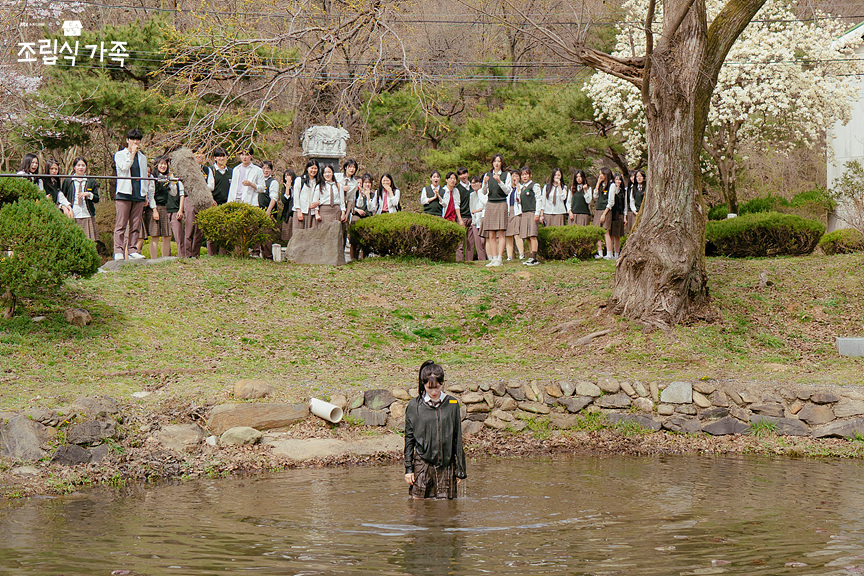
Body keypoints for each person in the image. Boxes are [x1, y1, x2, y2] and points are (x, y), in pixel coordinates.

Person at [404, 360, 466, 500]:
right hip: (422, 465)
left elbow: (457, 437)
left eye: (437, 387)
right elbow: (409, 438)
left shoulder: (452, 404)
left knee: (448, 509)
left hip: (447, 465)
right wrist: (408, 469)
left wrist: (460, 468)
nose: (433, 392)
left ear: (442, 383)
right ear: (423, 384)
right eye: (429, 387)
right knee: (418, 506)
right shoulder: (415, 406)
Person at [113, 128, 148, 260]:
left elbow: (145, 176)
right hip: (124, 193)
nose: (135, 142)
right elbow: (124, 167)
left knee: (135, 224)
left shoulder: (143, 158)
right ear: (127, 140)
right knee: (121, 224)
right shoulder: (120, 155)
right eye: (132, 139)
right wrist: (132, 154)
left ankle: (133, 250)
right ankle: (118, 251)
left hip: (139, 193)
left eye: (137, 140)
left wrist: (145, 195)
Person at [58, 156, 99, 241]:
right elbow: (62, 197)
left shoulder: (91, 181)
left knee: (89, 240)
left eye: (83, 165)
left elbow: (97, 199)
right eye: (78, 165)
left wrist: (88, 194)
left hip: (87, 214)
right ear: (74, 167)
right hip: (73, 215)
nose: (81, 168)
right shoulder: (68, 181)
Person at [480, 154, 511, 267]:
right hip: (490, 204)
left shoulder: (506, 175)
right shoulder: (487, 175)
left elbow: (508, 191)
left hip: (501, 203)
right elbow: (483, 192)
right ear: (492, 163)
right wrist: (484, 184)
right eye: (495, 161)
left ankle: (499, 258)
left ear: (501, 163)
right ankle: (493, 258)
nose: (496, 163)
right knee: (491, 234)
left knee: (501, 233)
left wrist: (499, 181)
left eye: (499, 161)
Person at [183, 146, 214, 258]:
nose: (199, 157)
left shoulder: (207, 170)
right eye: (196, 154)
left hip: (203, 200)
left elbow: (211, 186)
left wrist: (200, 187)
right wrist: (201, 186)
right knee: (189, 227)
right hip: (190, 199)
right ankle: (187, 254)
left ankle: (195, 254)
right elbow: (187, 186)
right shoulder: (187, 169)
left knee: (199, 229)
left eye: (201, 154)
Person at [148, 157, 173, 259]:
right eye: (161, 164)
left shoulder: (168, 177)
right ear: (156, 165)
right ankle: (154, 259)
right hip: (156, 207)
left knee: (167, 235)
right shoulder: (153, 177)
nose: (163, 166)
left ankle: (165, 259)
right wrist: (154, 210)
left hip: (166, 207)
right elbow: (150, 195)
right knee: (155, 235)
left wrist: (172, 180)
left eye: (165, 164)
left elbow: (173, 192)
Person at [207, 147, 231, 256]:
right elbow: (207, 188)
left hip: (227, 204)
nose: (221, 158)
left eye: (223, 156)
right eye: (219, 156)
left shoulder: (231, 171)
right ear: (215, 158)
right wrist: (211, 200)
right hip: (213, 203)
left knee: (225, 231)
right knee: (212, 230)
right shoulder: (210, 170)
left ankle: (223, 254)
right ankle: (211, 254)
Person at [256, 160, 280, 259]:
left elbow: (274, 198)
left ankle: (268, 256)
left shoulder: (273, 182)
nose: (266, 170)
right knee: (256, 234)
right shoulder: (257, 181)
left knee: (266, 235)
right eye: (264, 168)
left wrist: (268, 211)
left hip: (267, 212)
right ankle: (256, 254)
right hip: (257, 211)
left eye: (268, 168)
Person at [350, 173, 377, 260]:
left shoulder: (374, 195)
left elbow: (372, 209)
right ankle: (353, 257)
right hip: (357, 218)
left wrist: (368, 197)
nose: (367, 185)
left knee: (366, 240)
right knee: (354, 239)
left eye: (369, 183)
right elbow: (356, 205)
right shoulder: (357, 194)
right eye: (365, 183)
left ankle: (364, 257)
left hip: (368, 218)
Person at [519, 166, 542, 266]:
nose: (524, 176)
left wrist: (537, 213)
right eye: (523, 175)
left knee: (533, 235)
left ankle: (534, 257)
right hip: (524, 213)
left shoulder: (534, 186)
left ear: (530, 175)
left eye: (526, 174)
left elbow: (539, 199)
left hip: (532, 212)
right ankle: (531, 255)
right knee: (527, 236)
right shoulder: (522, 188)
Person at [592, 167, 615, 260]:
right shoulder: (601, 184)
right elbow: (595, 196)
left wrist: (604, 214)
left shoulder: (611, 185)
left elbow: (611, 202)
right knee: (597, 231)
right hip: (598, 209)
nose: (600, 176)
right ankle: (600, 253)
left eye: (601, 174)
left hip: (606, 210)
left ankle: (609, 253)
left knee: (606, 232)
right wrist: (598, 183)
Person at [454, 167, 475, 262]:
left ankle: (469, 261)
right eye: (461, 174)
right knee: (460, 242)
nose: (463, 176)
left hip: (472, 217)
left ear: (468, 174)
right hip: (462, 217)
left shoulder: (472, 187)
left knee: (470, 242)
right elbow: (456, 205)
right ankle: (459, 261)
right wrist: (460, 219)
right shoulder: (457, 189)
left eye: (464, 173)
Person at [293, 159, 322, 230]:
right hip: (301, 211)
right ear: (307, 168)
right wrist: (298, 211)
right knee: (298, 234)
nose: (313, 170)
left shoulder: (319, 182)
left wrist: (318, 202)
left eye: (315, 168)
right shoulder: (300, 180)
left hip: (312, 213)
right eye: (312, 168)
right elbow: (296, 196)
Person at [504, 168, 524, 262]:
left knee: (517, 233)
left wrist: (517, 186)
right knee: (508, 234)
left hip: (517, 211)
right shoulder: (507, 188)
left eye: (517, 176)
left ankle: (521, 254)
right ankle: (509, 256)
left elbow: (521, 197)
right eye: (513, 176)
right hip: (508, 211)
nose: (514, 178)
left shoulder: (521, 187)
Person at [467, 174, 487, 261]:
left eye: (476, 183)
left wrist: (477, 211)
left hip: (483, 219)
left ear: (480, 183)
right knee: (478, 243)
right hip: (475, 220)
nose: (474, 185)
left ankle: (488, 258)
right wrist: (473, 219)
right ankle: (481, 259)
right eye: (472, 183)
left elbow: (485, 206)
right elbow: (471, 208)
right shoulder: (471, 195)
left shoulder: (484, 192)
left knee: (484, 241)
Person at [610, 173, 628, 259]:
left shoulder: (623, 191)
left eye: (619, 179)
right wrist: (616, 188)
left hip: (619, 214)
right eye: (616, 179)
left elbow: (625, 204)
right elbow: (612, 198)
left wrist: (625, 216)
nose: (618, 181)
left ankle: (616, 253)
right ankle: (610, 252)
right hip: (612, 214)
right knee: (611, 235)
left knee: (617, 235)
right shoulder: (612, 189)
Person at [280, 169, 296, 243]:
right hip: (287, 214)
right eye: (286, 176)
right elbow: (284, 201)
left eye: (289, 175)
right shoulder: (284, 188)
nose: (288, 178)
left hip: (295, 212)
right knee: (287, 236)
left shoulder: (297, 186)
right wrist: (287, 188)